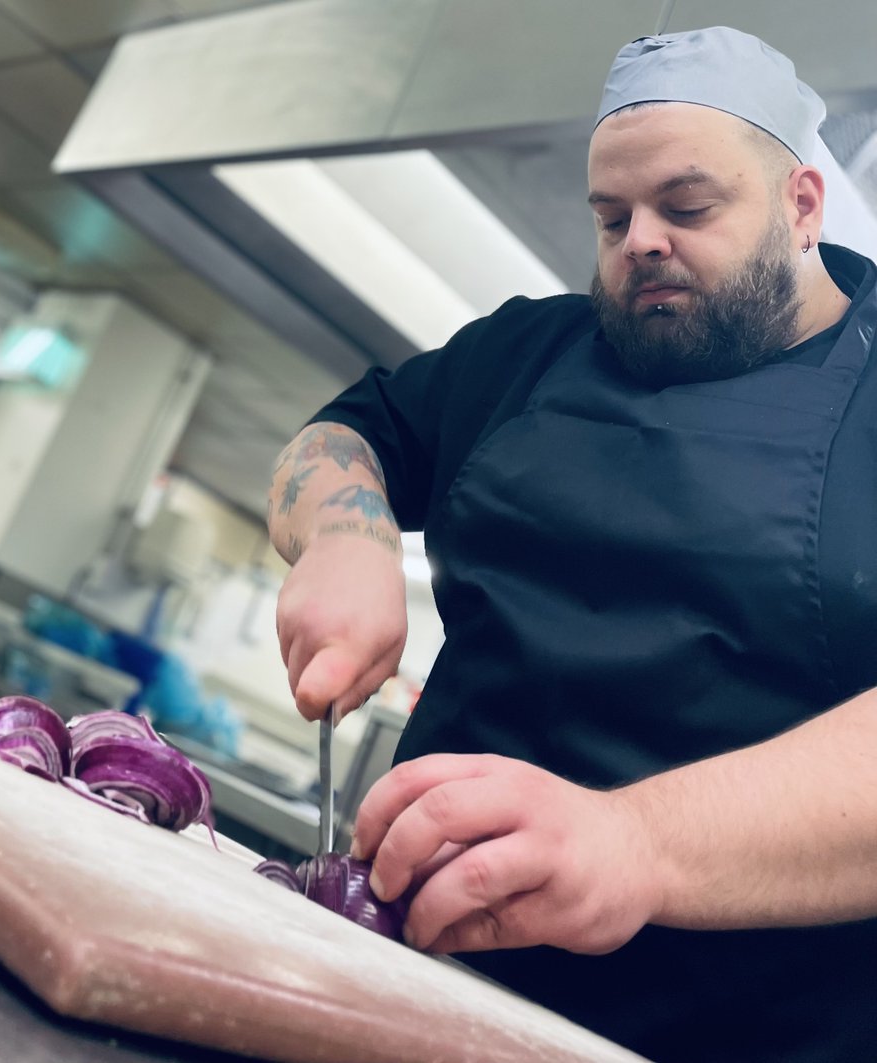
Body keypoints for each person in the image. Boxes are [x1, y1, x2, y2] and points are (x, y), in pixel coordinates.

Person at [267, 25, 877, 1063]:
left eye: (687, 207)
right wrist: (345, 537)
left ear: (803, 205)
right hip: (400, 975)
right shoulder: (532, 350)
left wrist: (640, 842)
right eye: (612, 217)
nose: (642, 241)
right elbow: (342, 438)